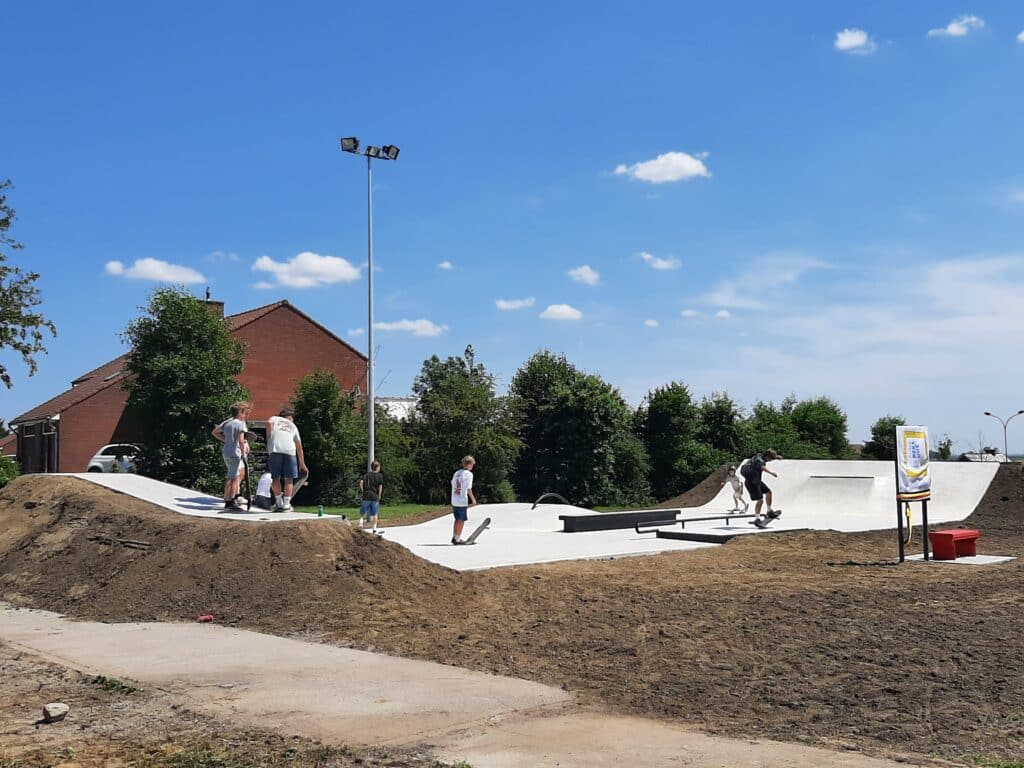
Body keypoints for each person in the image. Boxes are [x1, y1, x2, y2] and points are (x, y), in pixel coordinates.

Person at [265, 406, 306, 512]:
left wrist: (269, 438)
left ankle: (278, 503)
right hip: (290, 451)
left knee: (276, 477)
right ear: (290, 417)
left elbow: (269, 423)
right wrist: (302, 464)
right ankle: (286, 504)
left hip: (275, 450)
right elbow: (299, 446)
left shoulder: (274, 419)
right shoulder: (293, 426)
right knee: (289, 479)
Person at [212, 402, 249, 509]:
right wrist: (244, 453)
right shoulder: (240, 424)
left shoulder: (228, 424)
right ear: (240, 412)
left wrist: (226, 441)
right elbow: (241, 441)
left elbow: (217, 432)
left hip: (226, 452)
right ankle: (230, 501)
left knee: (232, 476)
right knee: (233, 478)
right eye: (244, 413)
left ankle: (228, 498)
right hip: (235, 453)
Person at [741, 449, 781, 524]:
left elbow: (767, 456)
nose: (769, 461)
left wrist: (776, 457)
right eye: (770, 459)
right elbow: (762, 467)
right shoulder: (760, 460)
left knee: (768, 492)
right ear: (766, 457)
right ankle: (757, 519)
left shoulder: (759, 455)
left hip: (756, 481)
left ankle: (769, 511)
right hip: (751, 483)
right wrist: (771, 473)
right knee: (760, 500)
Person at [450, 455, 477, 545]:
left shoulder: (456, 473)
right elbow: (469, 489)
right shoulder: (469, 474)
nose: (472, 466)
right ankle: (457, 539)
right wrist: (473, 500)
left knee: (457, 519)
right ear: (469, 464)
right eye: (472, 464)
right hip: (462, 500)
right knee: (461, 520)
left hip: (454, 499)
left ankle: (455, 537)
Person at [358, 460, 384, 533]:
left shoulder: (366, 475)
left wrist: (363, 491)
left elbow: (361, 482)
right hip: (375, 496)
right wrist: (379, 495)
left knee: (363, 511)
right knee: (375, 513)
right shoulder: (379, 476)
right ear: (378, 467)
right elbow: (380, 487)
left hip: (366, 495)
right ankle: (374, 528)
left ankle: (360, 523)